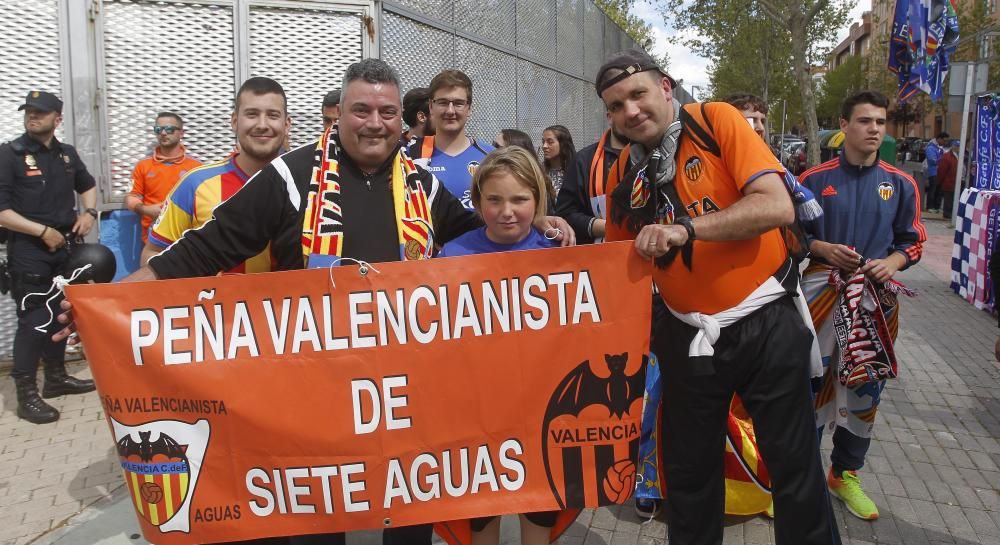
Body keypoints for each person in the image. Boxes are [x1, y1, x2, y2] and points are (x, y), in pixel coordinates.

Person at [56, 58, 572, 545]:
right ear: (340, 114)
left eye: (387, 112)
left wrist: (543, 222)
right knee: (317, 518)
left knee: (411, 515)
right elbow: (201, 250)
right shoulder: (290, 177)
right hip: (313, 393)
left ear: (403, 118)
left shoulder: (419, 182)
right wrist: (108, 306)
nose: (375, 123)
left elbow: (487, 241)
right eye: (361, 110)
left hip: (402, 393)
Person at [598, 49, 839, 545]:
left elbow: (775, 207)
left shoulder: (715, 120)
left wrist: (686, 230)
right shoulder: (624, 167)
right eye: (616, 105)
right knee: (688, 473)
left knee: (794, 466)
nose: (630, 111)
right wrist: (564, 231)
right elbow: (621, 256)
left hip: (765, 320)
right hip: (686, 332)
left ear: (665, 87)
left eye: (637, 94)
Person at [799, 90, 925, 522]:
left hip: (875, 304)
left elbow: (913, 240)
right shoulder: (813, 180)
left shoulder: (901, 183)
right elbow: (787, 235)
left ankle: (844, 474)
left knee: (865, 386)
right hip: (820, 298)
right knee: (810, 384)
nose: (874, 129)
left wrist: (892, 262)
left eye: (880, 122)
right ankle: (803, 476)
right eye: (866, 121)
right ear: (844, 125)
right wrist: (820, 247)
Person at [439, 146, 560, 545]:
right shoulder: (453, 255)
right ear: (477, 202)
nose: (507, 211)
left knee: (540, 507)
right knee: (480, 511)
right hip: (476, 410)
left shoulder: (558, 253)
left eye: (520, 199)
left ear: (538, 200)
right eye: (494, 200)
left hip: (542, 408)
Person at [0, 91, 98, 424]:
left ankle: (55, 379)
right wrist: (41, 232)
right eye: (29, 111)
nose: (32, 116)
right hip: (30, 251)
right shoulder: (9, 155)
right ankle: (27, 393)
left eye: (40, 112)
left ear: (57, 119)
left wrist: (90, 212)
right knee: (33, 321)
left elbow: (87, 184)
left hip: (65, 248)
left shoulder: (66, 155)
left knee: (60, 314)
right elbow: (1, 212)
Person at [141, 77, 291, 269]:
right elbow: (152, 254)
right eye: (252, 114)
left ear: (287, 124)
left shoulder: (306, 184)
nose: (262, 124)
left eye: (273, 115)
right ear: (235, 121)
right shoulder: (194, 184)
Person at [408, 70, 494, 209]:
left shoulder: (491, 157)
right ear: (431, 106)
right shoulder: (411, 155)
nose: (450, 111)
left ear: (469, 108)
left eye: (458, 103)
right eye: (442, 102)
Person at [124, 111, 201, 245]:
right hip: (152, 238)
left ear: (181, 133)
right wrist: (145, 209)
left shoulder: (196, 167)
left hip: (186, 239)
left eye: (169, 129)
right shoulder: (143, 166)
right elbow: (132, 197)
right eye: (158, 129)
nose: (163, 133)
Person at [555, 121, 627, 245]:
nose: (632, 112)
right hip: (599, 253)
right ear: (610, 115)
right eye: (619, 107)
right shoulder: (584, 160)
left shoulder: (659, 156)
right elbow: (565, 214)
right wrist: (607, 228)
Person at [541, 125, 576, 196]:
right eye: (543, 142)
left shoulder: (576, 170)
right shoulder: (540, 170)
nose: (544, 146)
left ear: (563, 144)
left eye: (550, 142)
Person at [924, 131, 949, 213]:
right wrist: (942, 159)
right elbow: (932, 160)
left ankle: (936, 206)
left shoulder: (939, 148)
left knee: (938, 190)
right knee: (933, 189)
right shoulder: (931, 148)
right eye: (944, 140)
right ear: (939, 139)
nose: (945, 142)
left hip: (939, 172)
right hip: (933, 172)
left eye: (946, 141)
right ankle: (930, 206)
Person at [937, 139, 959, 220]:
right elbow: (942, 170)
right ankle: (947, 214)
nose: (957, 148)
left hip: (957, 181)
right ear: (952, 146)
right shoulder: (947, 156)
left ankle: (951, 213)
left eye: (958, 146)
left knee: (953, 198)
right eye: (956, 146)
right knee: (948, 198)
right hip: (949, 181)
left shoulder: (959, 155)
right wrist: (940, 180)